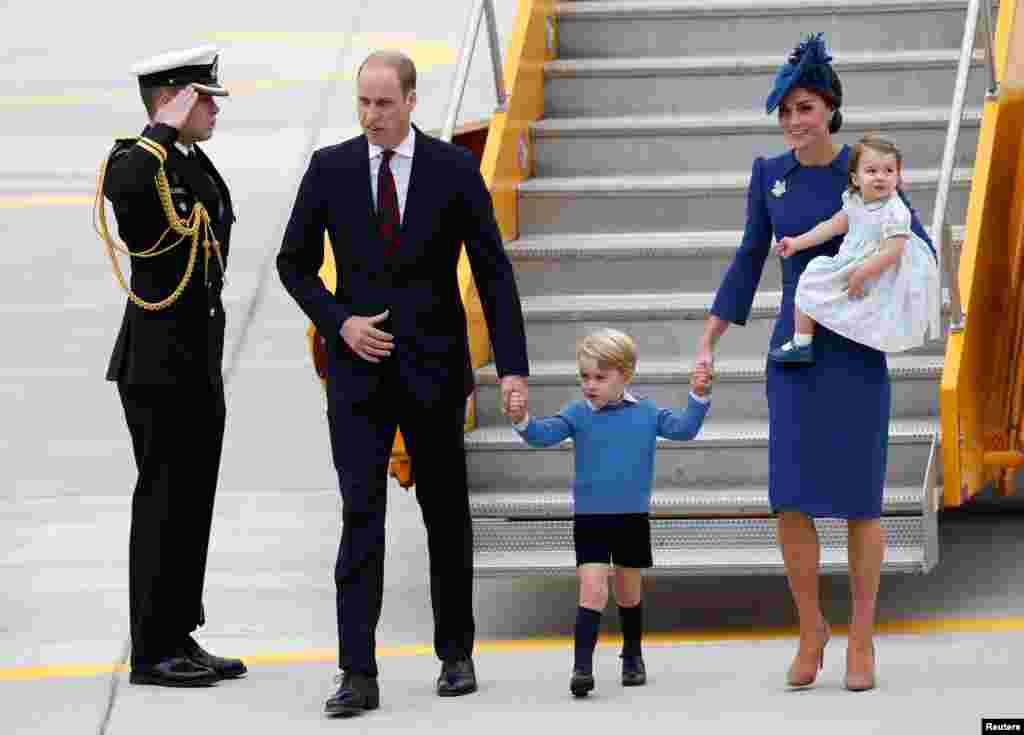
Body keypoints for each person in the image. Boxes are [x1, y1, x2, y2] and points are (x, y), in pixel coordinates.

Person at [276, 50, 529, 717]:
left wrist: (512, 367)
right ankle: (356, 671)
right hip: (358, 379)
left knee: (445, 514)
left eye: (384, 103)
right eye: (363, 102)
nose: (371, 115)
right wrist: (340, 323)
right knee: (361, 515)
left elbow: (493, 271)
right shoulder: (330, 169)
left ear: (412, 101)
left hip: (434, 369)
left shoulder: (452, 169)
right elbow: (293, 263)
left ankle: (456, 650)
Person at [693, 33, 935, 692]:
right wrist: (709, 339)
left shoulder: (866, 170)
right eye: (785, 111)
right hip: (793, 356)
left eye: (805, 108)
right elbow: (748, 259)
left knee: (861, 501)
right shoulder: (769, 176)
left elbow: (915, 244)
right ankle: (810, 627)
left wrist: (894, 287)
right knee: (790, 499)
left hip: (854, 352)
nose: (795, 122)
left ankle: (862, 636)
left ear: (830, 108)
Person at [95, 45, 246, 687]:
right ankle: (150, 649)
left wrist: (174, 133)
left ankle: (179, 632)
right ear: (171, 99)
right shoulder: (137, 158)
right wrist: (161, 126)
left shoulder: (188, 159)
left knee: (193, 502)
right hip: (155, 366)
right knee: (161, 502)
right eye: (202, 97)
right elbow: (126, 192)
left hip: (197, 361)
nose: (213, 107)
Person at [507, 329, 711, 698]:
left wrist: (698, 395)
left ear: (626, 375)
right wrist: (521, 419)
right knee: (592, 588)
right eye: (585, 376)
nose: (590, 385)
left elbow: (685, 429)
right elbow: (541, 434)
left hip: (631, 517)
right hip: (590, 519)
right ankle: (581, 667)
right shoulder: (577, 413)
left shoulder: (647, 412)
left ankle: (632, 653)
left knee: (628, 592)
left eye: (600, 377)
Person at [768, 135, 939, 364]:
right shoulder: (855, 201)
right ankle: (802, 343)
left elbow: (892, 252)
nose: (880, 177)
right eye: (872, 171)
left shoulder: (895, 211)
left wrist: (862, 273)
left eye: (889, 171)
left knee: (864, 295)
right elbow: (831, 226)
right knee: (811, 275)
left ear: (897, 177)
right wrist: (797, 243)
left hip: (881, 267)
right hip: (853, 259)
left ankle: (855, 334)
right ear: (855, 178)